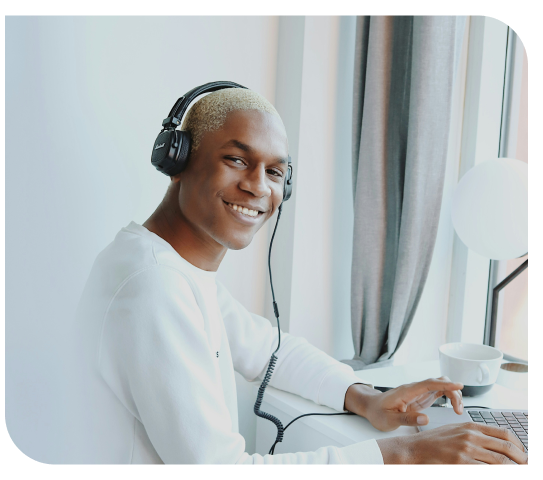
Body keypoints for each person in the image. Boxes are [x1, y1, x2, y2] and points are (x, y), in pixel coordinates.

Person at [74, 87, 528, 464]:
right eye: (236, 159)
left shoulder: (173, 268)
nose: (258, 186)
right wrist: (403, 454)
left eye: (275, 172)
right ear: (177, 160)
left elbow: (268, 348)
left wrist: (365, 396)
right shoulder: (153, 286)